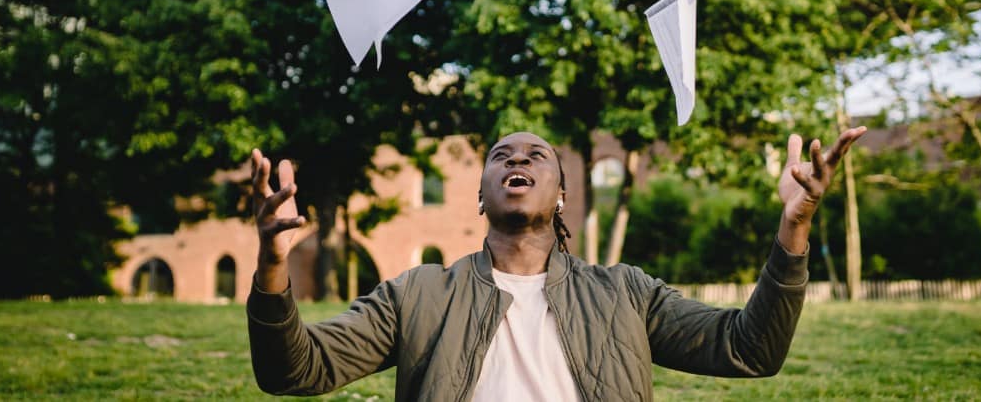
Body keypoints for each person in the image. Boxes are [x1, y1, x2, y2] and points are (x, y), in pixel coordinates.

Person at [246, 127, 866, 400]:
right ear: (481, 194)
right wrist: (273, 264)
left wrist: (794, 228)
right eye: (501, 155)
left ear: (562, 194)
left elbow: (750, 350)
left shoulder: (625, 293)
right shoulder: (417, 293)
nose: (518, 159)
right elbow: (295, 372)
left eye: (537, 155)